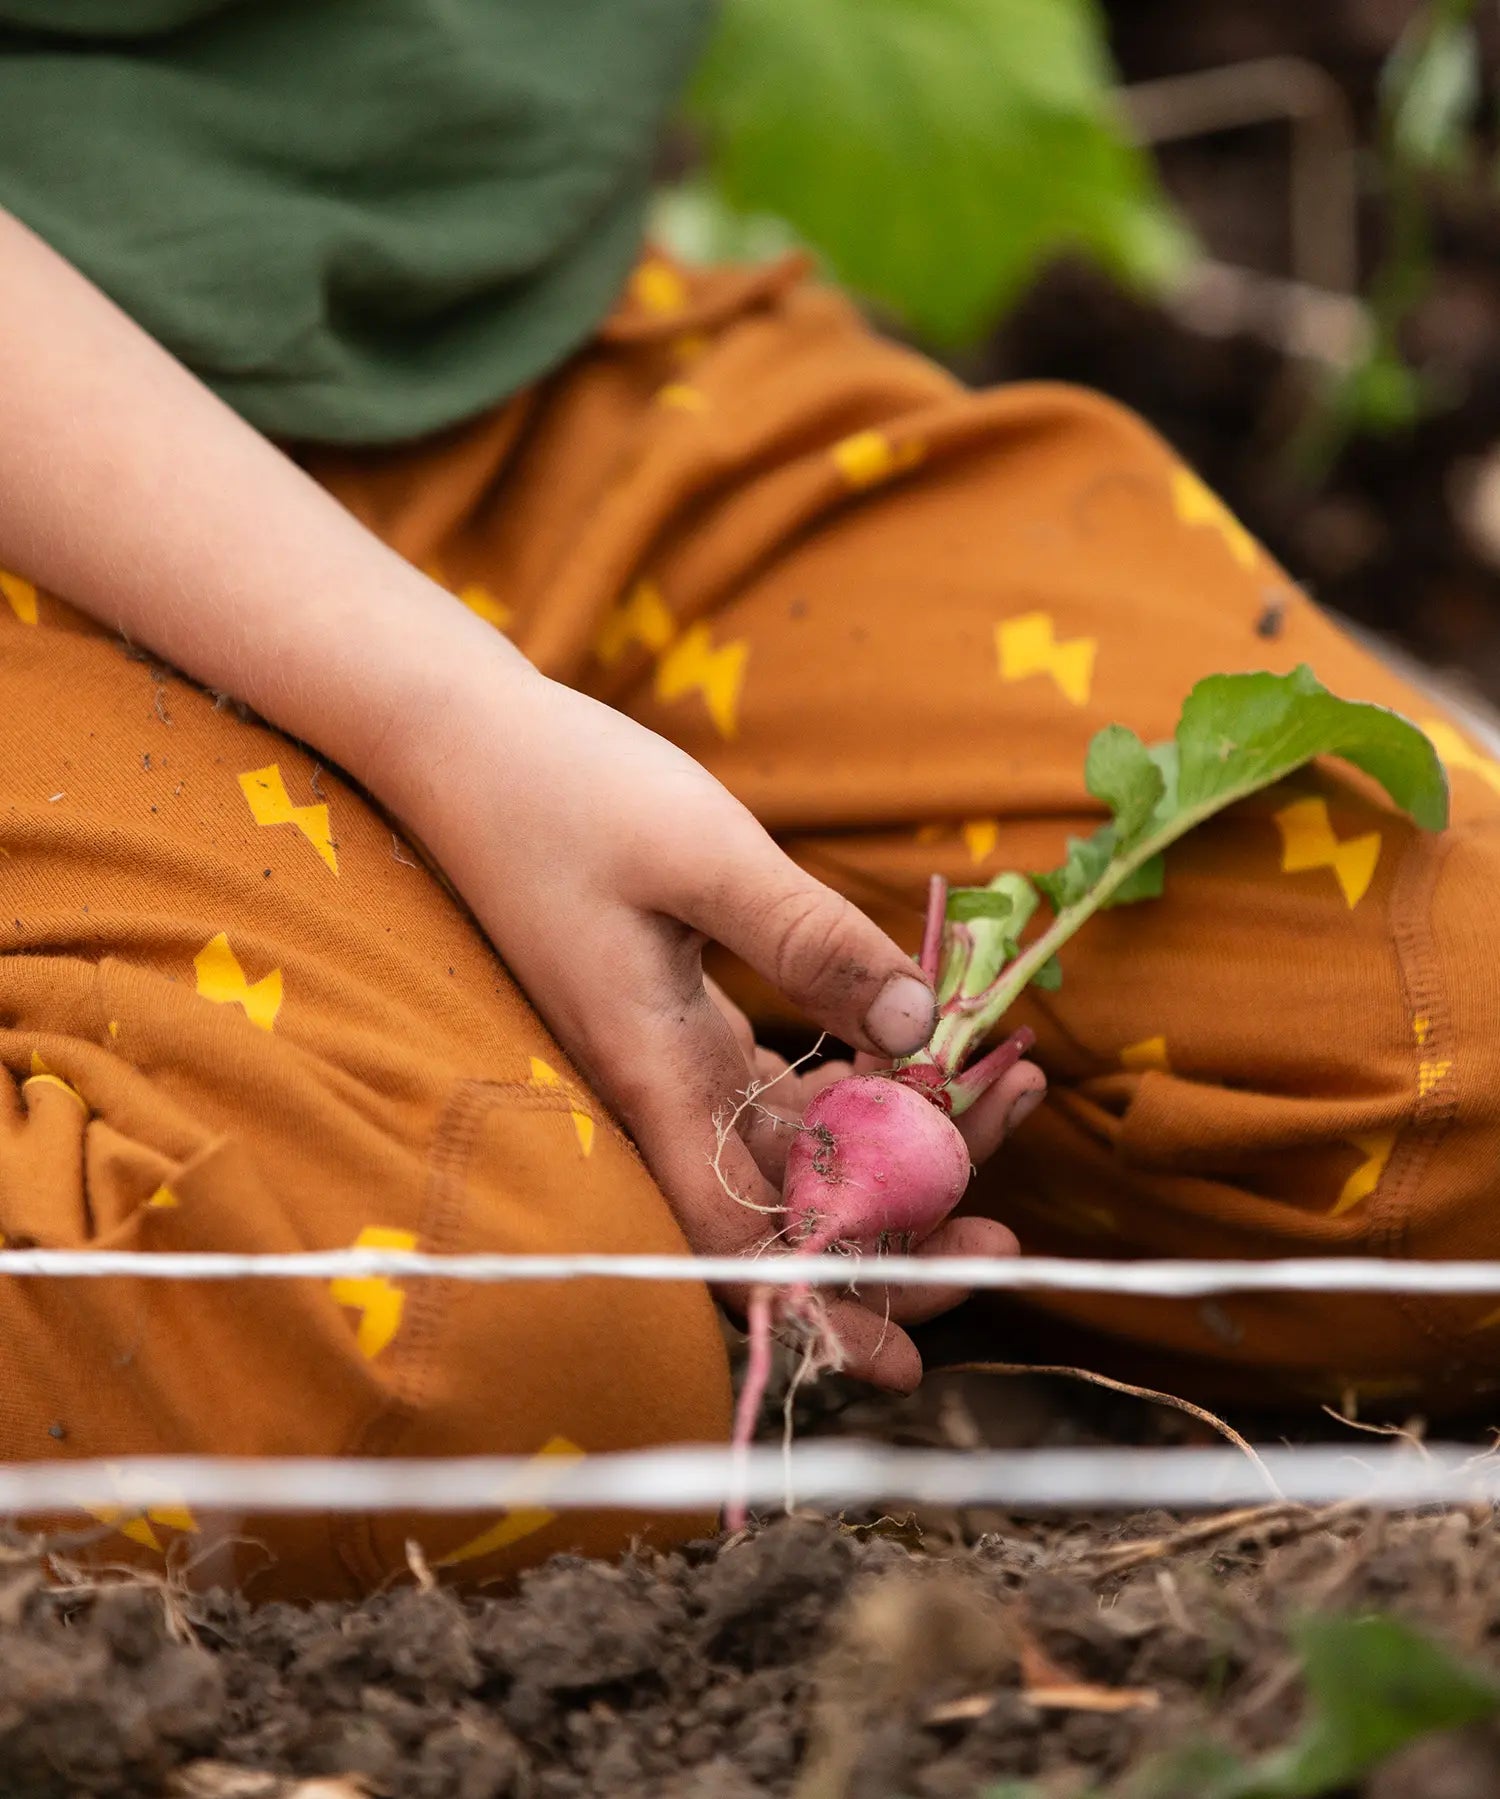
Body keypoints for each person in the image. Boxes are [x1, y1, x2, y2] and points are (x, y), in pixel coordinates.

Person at [0, 2, 1495, 1600]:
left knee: (1455, 1059)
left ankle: (620, 1130)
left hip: (507, 347)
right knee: (457, 1375)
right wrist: (445, 717)